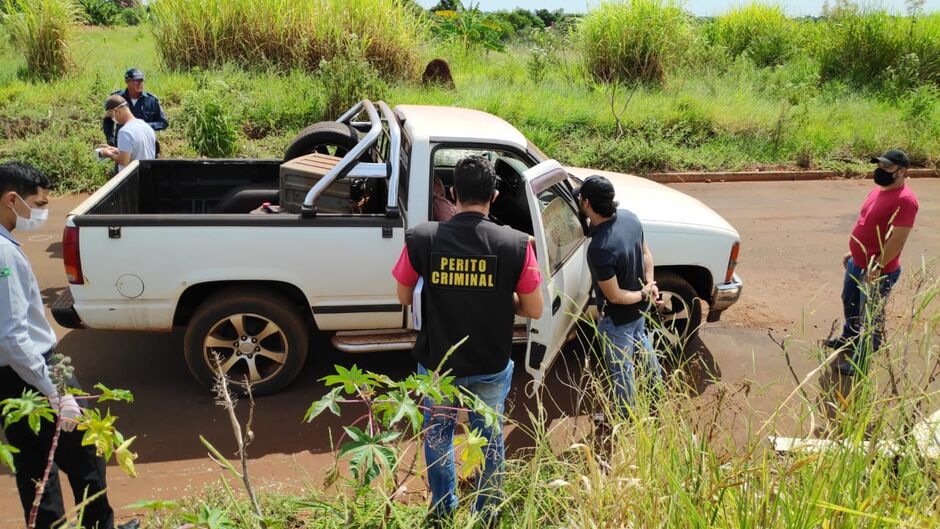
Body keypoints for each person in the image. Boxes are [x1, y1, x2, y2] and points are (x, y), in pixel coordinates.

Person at [392, 155, 543, 523]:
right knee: (489, 440)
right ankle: (488, 511)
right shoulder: (517, 244)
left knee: (438, 436)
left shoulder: (422, 238)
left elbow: (402, 294)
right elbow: (534, 309)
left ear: (454, 193)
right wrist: (499, 293)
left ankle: (443, 510)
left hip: (438, 365)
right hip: (490, 365)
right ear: (493, 195)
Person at [0, 162, 138, 529]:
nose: (41, 212)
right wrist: (55, 392)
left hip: (9, 376)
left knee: (33, 466)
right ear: (11, 200)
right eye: (38, 203)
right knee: (86, 457)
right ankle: (99, 526)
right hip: (32, 370)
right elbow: (13, 336)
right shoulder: (4, 254)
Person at [575, 175, 663, 415]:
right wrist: (649, 283)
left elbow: (615, 296)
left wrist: (644, 293)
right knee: (643, 346)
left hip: (617, 319)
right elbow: (646, 254)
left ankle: (625, 416)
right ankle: (658, 395)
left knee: (621, 370)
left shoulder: (600, 248)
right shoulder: (629, 218)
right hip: (638, 313)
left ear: (586, 203)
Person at [826, 149, 919, 375]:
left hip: (878, 270)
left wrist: (877, 266)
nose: (880, 170)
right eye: (879, 165)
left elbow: (898, 238)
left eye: (887, 167)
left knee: (871, 314)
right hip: (857, 263)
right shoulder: (878, 191)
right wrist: (854, 254)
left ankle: (863, 358)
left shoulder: (906, 201)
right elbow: (866, 223)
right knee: (850, 302)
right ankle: (849, 339)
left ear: (902, 171)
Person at [102, 68, 168, 153]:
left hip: (146, 144)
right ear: (127, 82)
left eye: (141, 80)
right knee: (123, 165)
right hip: (124, 143)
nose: (139, 84)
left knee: (147, 166)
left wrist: (142, 126)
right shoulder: (117, 98)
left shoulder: (151, 100)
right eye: (136, 81)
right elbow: (108, 120)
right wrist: (110, 139)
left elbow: (163, 123)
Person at [98, 94, 156, 172]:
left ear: (116, 111)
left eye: (111, 115)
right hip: (148, 175)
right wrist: (116, 150)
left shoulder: (125, 131)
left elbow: (123, 161)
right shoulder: (146, 127)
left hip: (134, 179)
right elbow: (137, 151)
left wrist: (108, 154)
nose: (112, 118)